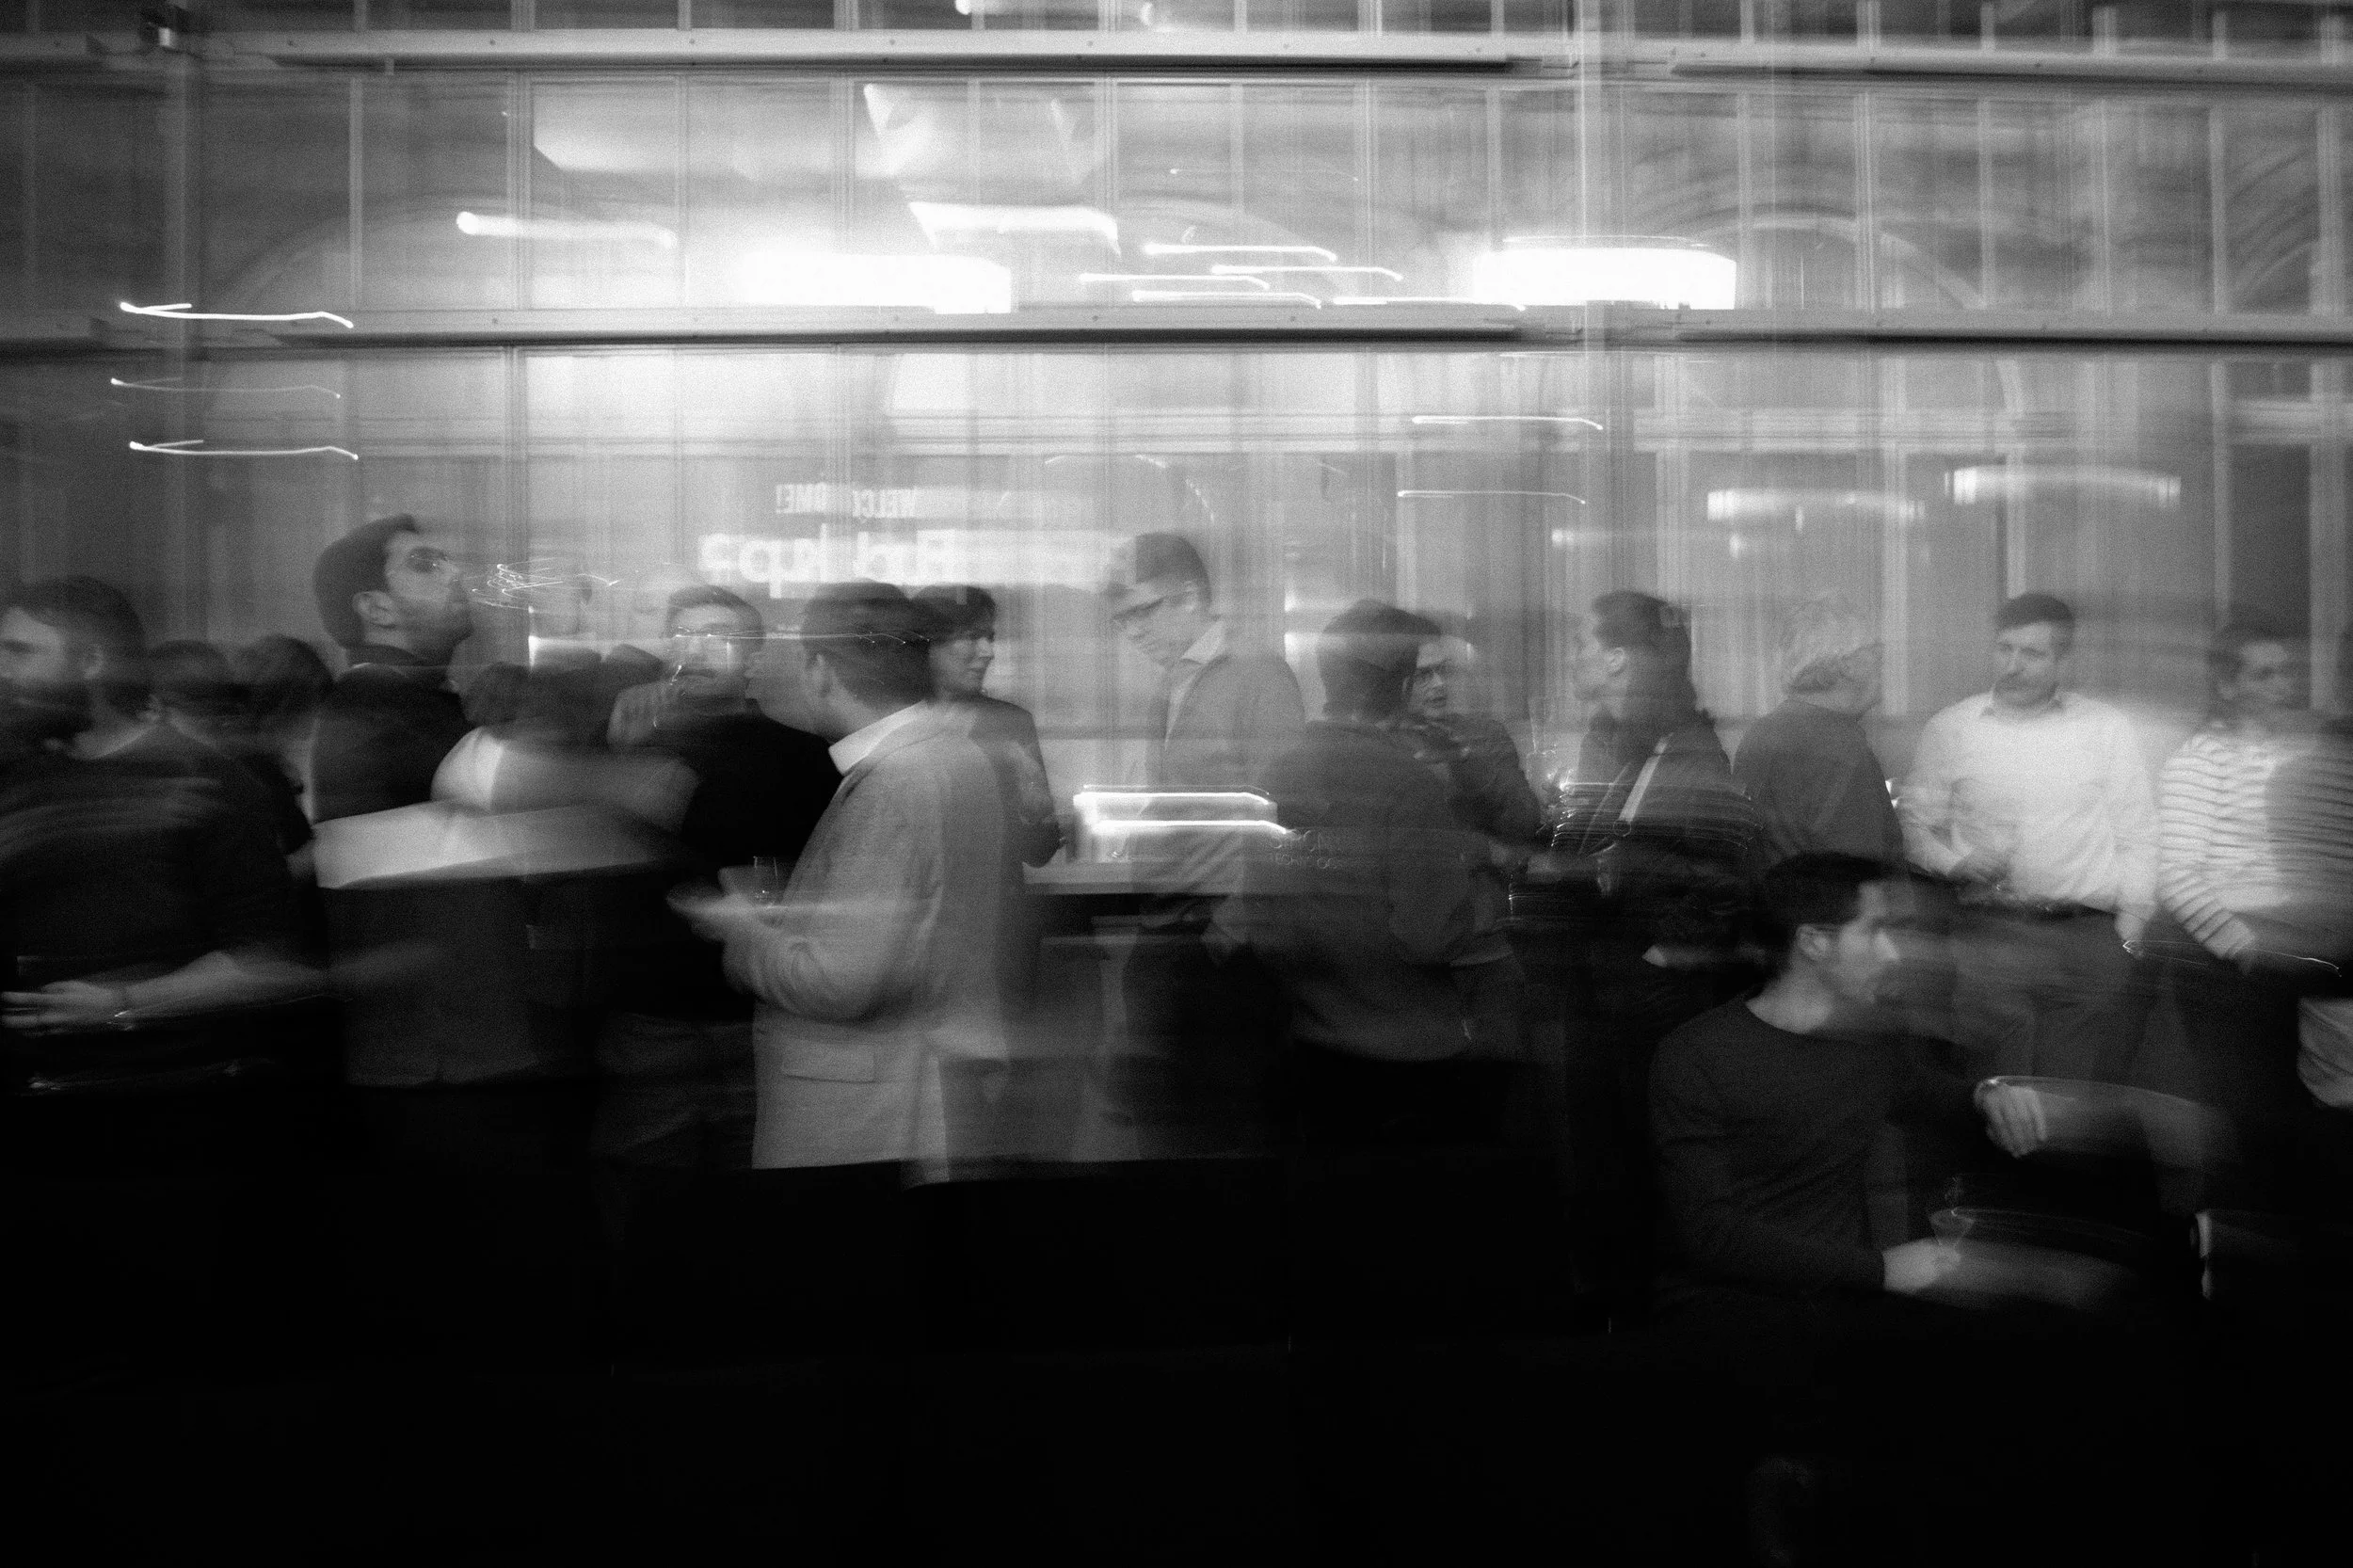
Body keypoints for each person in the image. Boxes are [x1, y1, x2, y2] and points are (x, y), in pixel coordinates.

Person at [680, 582, 1006, 1170]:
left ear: (821, 669)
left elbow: (839, 983)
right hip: (920, 1104)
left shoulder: (897, 780)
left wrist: (741, 927)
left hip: (865, 1128)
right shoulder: (957, 754)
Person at [1651, 853, 2045, 1323]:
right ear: (1815, 942)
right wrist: (1881, 1270)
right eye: (1874, 931)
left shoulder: (1869, 1044)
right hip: (1729, 1313)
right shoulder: (1698, 1055)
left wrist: (1992, 1094)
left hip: (1838, 1300)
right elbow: (1712, 1235)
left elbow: (1943, 1098)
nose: (1893, 954)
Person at [1239, 601, 1509, 1146]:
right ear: (1404, 683)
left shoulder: (1278, 772)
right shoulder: (1408, 785)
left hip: (1312, 1041)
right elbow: (1430, 937)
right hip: (1410, 1058)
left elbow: (1262, 916)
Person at [595, 584, 838, 1183]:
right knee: (652, 1197)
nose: (697, 651)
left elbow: (826, 882)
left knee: (754, 1191)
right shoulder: (625, 748)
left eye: (719, 638)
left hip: (759, 1012)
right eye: (684, 637)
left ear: (753, 659)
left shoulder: (806, 759)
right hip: (652, 1007)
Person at [1899, 593, 2159, 1083]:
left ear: (2064, 660)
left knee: (2071, 1102)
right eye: (2004, 649)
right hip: (1992, 935)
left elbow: (2139, 834)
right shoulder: (1953, 728)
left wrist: (2129, 933)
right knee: (1991, 1091)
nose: (2012, 665)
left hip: (2088, 937)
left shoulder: (2105, 729)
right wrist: (1956, 864)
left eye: (2032, 653)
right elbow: (1914, 827)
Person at [1104, 533, 1305, 1153]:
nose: (1131, 632)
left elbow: (1285, 815)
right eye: (1122, 619)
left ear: (1190, 598)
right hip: (1172, 931)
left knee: (1221, 1138)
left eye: (1141, 612)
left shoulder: (1257, 677)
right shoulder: (1173, 685)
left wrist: (1232, 930)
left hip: (1220, 945)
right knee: (1164, 1129)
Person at [1733, 600, 1902, 866]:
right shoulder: (1841, 751)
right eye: (1876, 652)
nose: (1884, 663)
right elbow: (1862, 875)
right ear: (1847, 664)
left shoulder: (1761, 733)